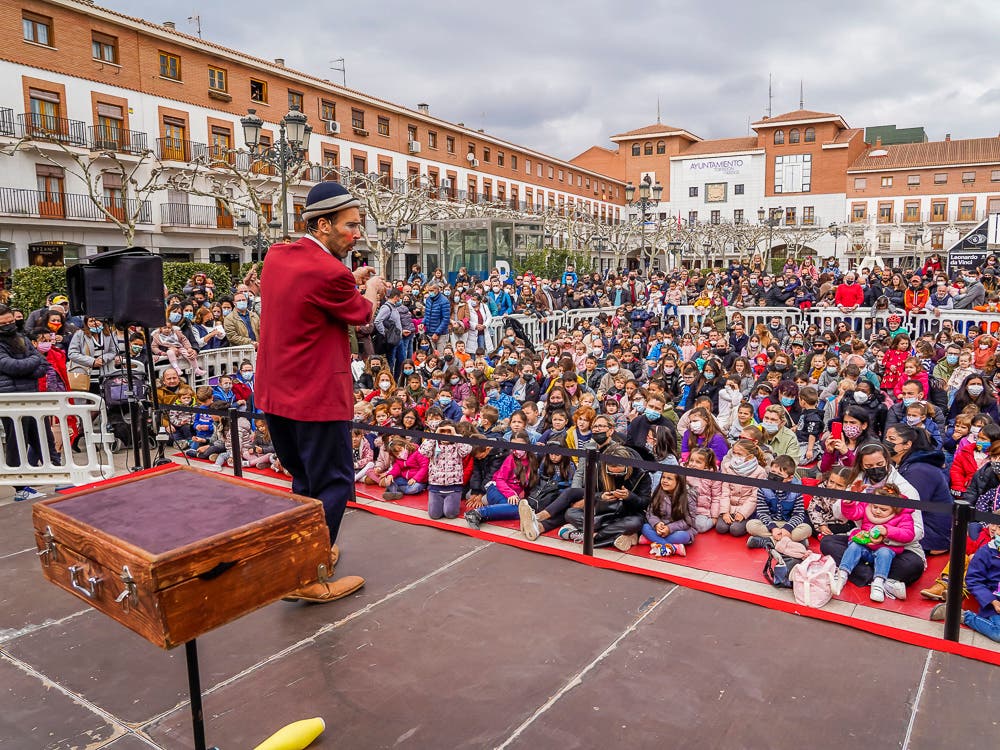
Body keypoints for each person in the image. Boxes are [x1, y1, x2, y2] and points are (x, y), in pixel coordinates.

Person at [256, 181, 387, 604]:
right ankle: (308, 576)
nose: (358, 234)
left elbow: (310, 287)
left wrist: (347, 277)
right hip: (316, 397)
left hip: (277, 394)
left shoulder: (277, 256)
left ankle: (299, 559)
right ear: (325, 223)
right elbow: (362, 314)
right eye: (352, 226)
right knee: (332, 483)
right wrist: (368, 289)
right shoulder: (330, 274)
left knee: (303, 479)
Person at [0, 304, 49, 502]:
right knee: (16, 443)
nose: (9, 325)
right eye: (3, 323)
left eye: (11, 321)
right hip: (11, 402)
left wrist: (30, 365)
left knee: (42, 438)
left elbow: (43, 364)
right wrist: (32, 363)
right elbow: (9, 366)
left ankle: (59, 476)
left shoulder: (21, 338)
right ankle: (20, 487)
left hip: (31, 397)